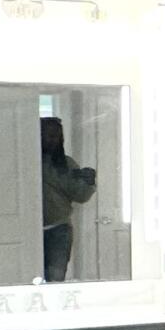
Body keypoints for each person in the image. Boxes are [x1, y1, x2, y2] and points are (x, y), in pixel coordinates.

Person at [40, 116, 97, 283]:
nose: (52, 140)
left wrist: (89, 182)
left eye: (56, 136)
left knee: (55, 280)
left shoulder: (66, 164)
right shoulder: (23, 162)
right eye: (47, 135)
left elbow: (81, 196)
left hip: (58, 230)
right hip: (26, 231)